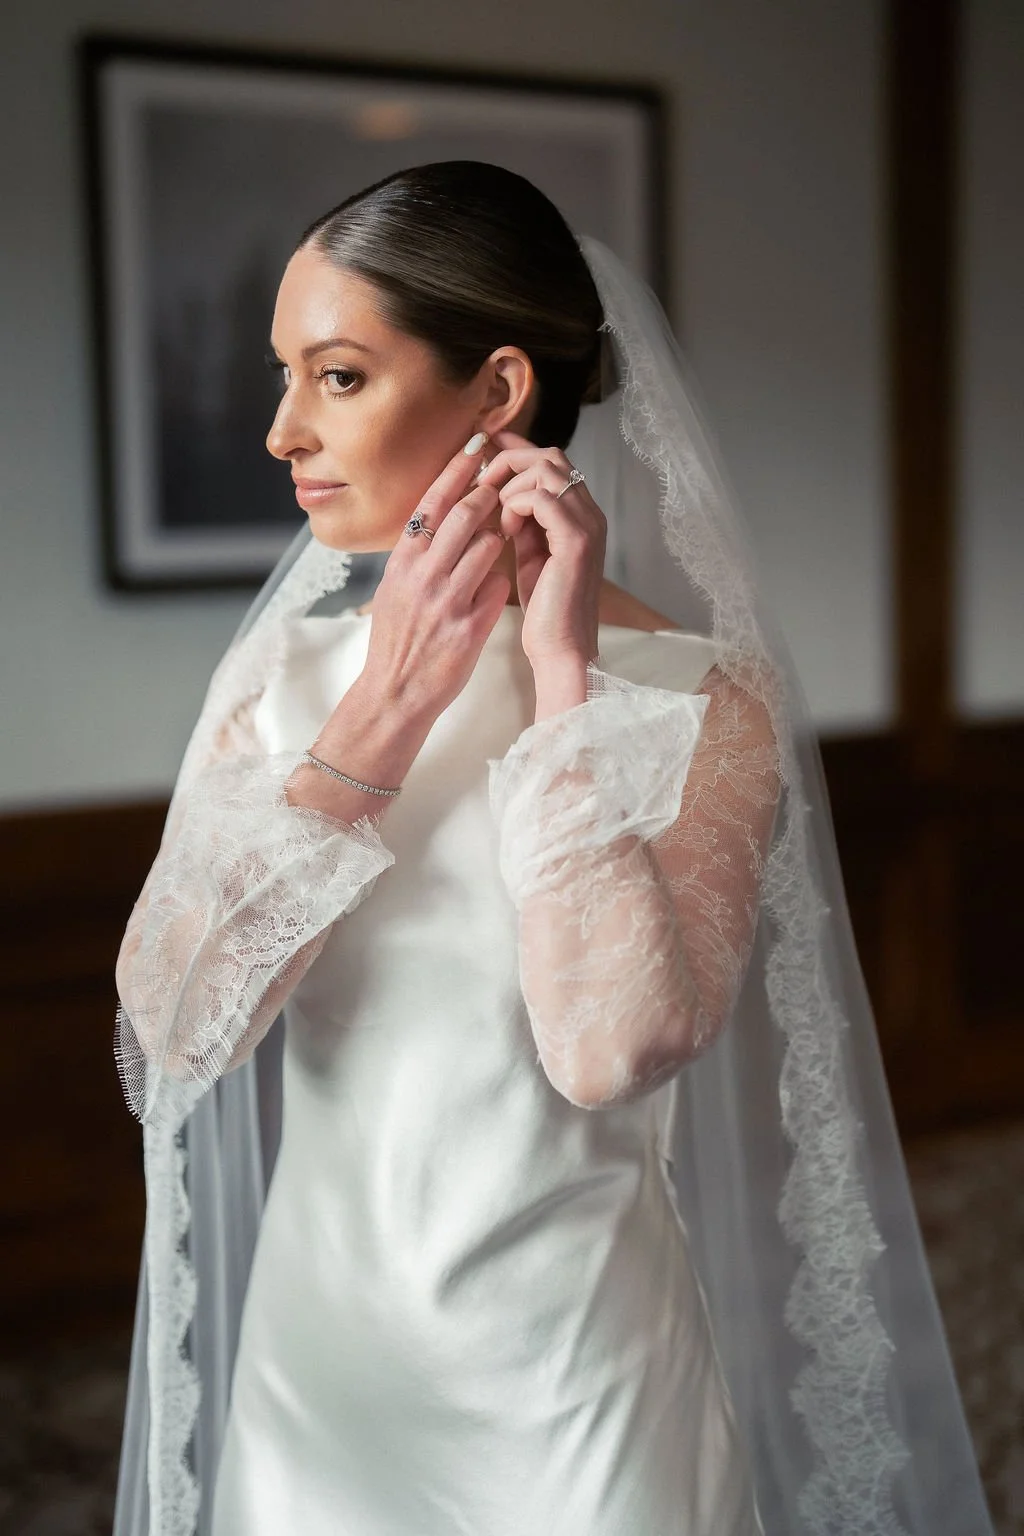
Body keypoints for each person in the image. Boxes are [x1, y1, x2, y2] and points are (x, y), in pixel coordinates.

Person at [112, 163, 992, 1536]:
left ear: (500, 390)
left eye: (336, 376)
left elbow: (608, 1049)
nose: (282, 429)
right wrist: (383, 714)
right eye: (282, 375)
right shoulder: (284, 682)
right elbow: (177, 1027)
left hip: (580, 1385)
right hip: (320, 1373)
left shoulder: (705, 703)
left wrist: (563, 685)